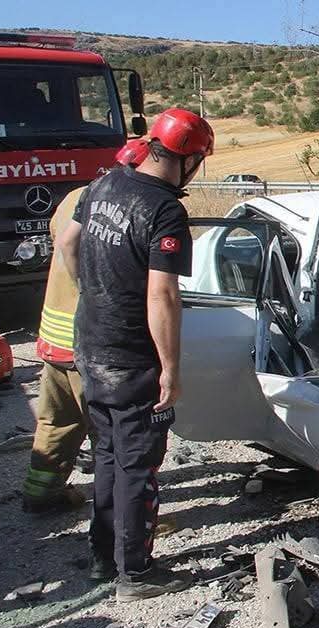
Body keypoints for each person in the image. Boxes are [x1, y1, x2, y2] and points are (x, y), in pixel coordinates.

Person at [58, 108, 212, 601]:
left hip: (91, 344)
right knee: (138, 465)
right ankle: (137, 575)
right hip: (130, 356)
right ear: (189, 160)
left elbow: (67, 242)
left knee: (108, 454)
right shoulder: (164, 210)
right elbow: (162, 295)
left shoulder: (103, 184)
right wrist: (170, 368)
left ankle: (103, 558)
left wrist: (94, 292)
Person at [22, 140, 151, 514]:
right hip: (91, 341)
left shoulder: (75, 198)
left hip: (55, 337)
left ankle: (40, 493)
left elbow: (61, 242)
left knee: (56, 421)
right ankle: (120, 517)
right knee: (110, 432)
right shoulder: (134, 206)